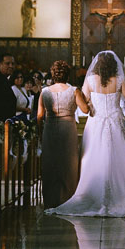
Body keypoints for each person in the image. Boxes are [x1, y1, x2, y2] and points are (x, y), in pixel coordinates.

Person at [46, 51, 125, 217]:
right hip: (115, 120)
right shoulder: (119, 80)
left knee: (94, 156)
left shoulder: (89, 80)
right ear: (114, 65)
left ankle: (91, 193)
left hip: (96, 122)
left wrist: (94, 102)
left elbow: (85, 102)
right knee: (120, 157)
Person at [37, 60, 89, 208]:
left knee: (51, 162)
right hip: (68, 128)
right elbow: (85, 110)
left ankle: (50, 199)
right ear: (67, 74)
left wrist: (40, 133)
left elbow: (40, 115)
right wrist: (89, 102)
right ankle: (68, 198)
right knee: (68, 162)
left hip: (50, 127)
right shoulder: (74, 90)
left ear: (53, 75)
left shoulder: (45, 91)